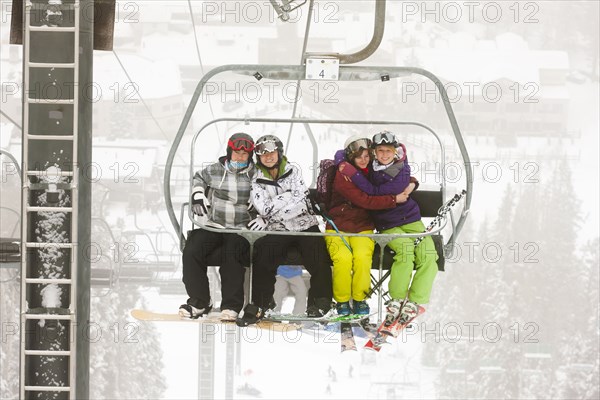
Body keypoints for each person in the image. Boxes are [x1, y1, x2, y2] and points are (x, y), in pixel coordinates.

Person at [339, 130, 437, 325]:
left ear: (395, 151)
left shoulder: (402, 166)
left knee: (429, 255)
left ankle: (416, 301)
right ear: (374, 151)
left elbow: (389, 187)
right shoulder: (369, 171)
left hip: (412, 220)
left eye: (389, 151)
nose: (384, 155)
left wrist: (411, 183)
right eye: (380, 150)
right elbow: (347, 160)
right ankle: (397, 299)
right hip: (388, 225)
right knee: (406, 251)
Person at [238, 134, 333, 325]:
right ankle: (261, 304)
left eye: (272, 152)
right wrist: (286, 198)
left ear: (279, 152)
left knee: (318, 256)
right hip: (278, 228)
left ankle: (320, 303)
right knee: (263, 256)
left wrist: (273, 211)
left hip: (304, 223)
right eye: (263, 154)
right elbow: (263, 208)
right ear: (258, 157)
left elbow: (301, 200)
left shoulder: (293, 172)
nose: (268, 157)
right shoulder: (256, 180)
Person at [325, 135, 408, 316]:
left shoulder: (371, 170)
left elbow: (396, 174)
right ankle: (342, 300)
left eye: (366, 156)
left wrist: (412, 183)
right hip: (338, 225)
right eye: (358, 157)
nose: (363, 160)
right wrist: (393, 200)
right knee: (343, 259)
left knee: (362, 258)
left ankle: (360, 298)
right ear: (350, 158)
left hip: (363, 225)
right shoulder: (343, 176)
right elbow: (365, 200)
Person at [179, 133, 256, 321]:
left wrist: (259, 202)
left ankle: (231, 306)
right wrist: (198, 193)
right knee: (192, 249)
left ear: (250, 156)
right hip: (215, 225)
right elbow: (199, 178)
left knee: (232, 254)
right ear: (229, 152)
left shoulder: (256, 174)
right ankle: (199, 302)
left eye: (244, 155)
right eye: (236, 153)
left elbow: (268, 188)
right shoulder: (216, 170)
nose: (240, 157)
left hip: (240, 228)